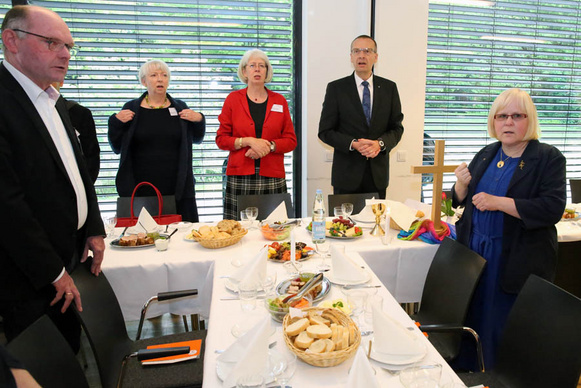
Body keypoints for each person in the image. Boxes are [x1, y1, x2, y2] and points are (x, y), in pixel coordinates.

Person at [0, 5, 105, 352]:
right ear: (11, 41)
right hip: (29, 274)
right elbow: (7, 205)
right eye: (51, 43)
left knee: (69, 354)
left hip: (71, 255)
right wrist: (53, 272)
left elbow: (79, 172)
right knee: (43, 367)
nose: (65, 54)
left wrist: (93, 226)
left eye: (69, 46)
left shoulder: (53, 98)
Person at [451, 88, 566, 369]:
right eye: (502, 116)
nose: (508, 123)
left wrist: (501, 203)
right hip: (476, 255)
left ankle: (498, 378)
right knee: (472, 319)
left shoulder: (548, 158)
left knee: (501, 326)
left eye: (517, 116)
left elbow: (552, 209)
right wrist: (461, 186)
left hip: (513, 259)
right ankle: (468, 373)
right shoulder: (487, 153)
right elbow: (461, 200)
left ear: (530, 120)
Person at [108, 59, 205, 222]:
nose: (160, 79)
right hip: (140, 185)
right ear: (143, 81)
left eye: (164, 75)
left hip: (177, 184)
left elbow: (197, 138)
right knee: (143, 236)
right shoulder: (131, 108)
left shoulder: (180, 107)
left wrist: (199, 120)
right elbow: (117, 146)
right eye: (154, 75)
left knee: (181, 235)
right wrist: (116, 122)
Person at [318, 34, 404, 199]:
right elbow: (325, 131)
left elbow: (397, 128)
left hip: (377, 176)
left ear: (375, 57)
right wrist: (353, 144)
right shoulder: (336, 88)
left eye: (367, 51)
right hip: (346, 176)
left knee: (376, 223)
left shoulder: (389, 88)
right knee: (343, 224)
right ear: (351, 57)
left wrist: (380, 144)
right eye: (357, 51)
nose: (362, 55)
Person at [216, 49, 297, 220]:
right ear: (244, 71)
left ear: (267, 71)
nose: (257, 69)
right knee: (238, 229)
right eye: (252, 65)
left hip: (272, 174)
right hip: (240, 174)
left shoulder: (279, 101)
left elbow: (290, 140)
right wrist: (248, 141)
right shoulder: (232, 99)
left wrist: (268, 146)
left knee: (275, 226)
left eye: (262, 66)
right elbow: (221, 139)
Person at [53, 81, 100, 183]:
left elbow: (92, 156)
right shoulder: (26, 113)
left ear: (61, 82)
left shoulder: (79, 113)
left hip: (78, 183)